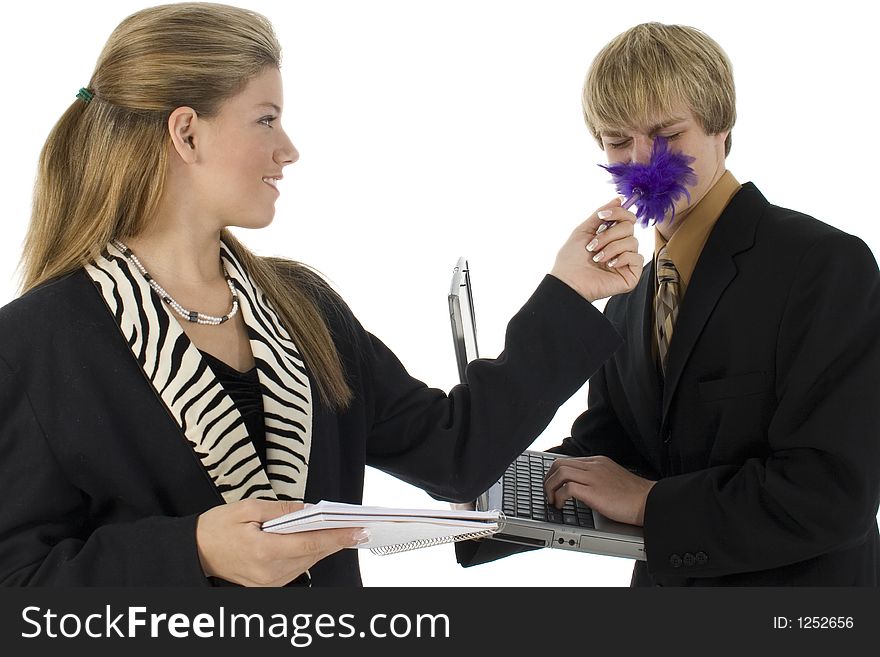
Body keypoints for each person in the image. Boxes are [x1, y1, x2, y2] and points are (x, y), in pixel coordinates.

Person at [0, 3, 644, 587]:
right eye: (266, 120)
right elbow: (18, 587)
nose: (289, 150)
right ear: (187, 133)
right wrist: (194, 551)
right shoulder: (34, 345)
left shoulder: (302, 305)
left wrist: (569, 292)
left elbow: (457, 453)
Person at [458, 22, 880, 585]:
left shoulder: (824, 265)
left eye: (666, 133)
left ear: (721, 126)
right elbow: (612, 447)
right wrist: (482, 495)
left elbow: (835, 488)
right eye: (616, 141)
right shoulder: (630, 296)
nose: (641, 161)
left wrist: (650, 503)